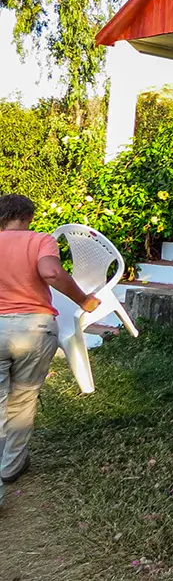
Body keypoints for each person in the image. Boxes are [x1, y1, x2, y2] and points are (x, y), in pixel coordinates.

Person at [0, 193, 100, 506]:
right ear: (28, 216)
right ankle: (10, 467)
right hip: (35, 328)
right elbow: (52, 273)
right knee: (23, 399)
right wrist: (84, 300)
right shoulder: (40, 240)